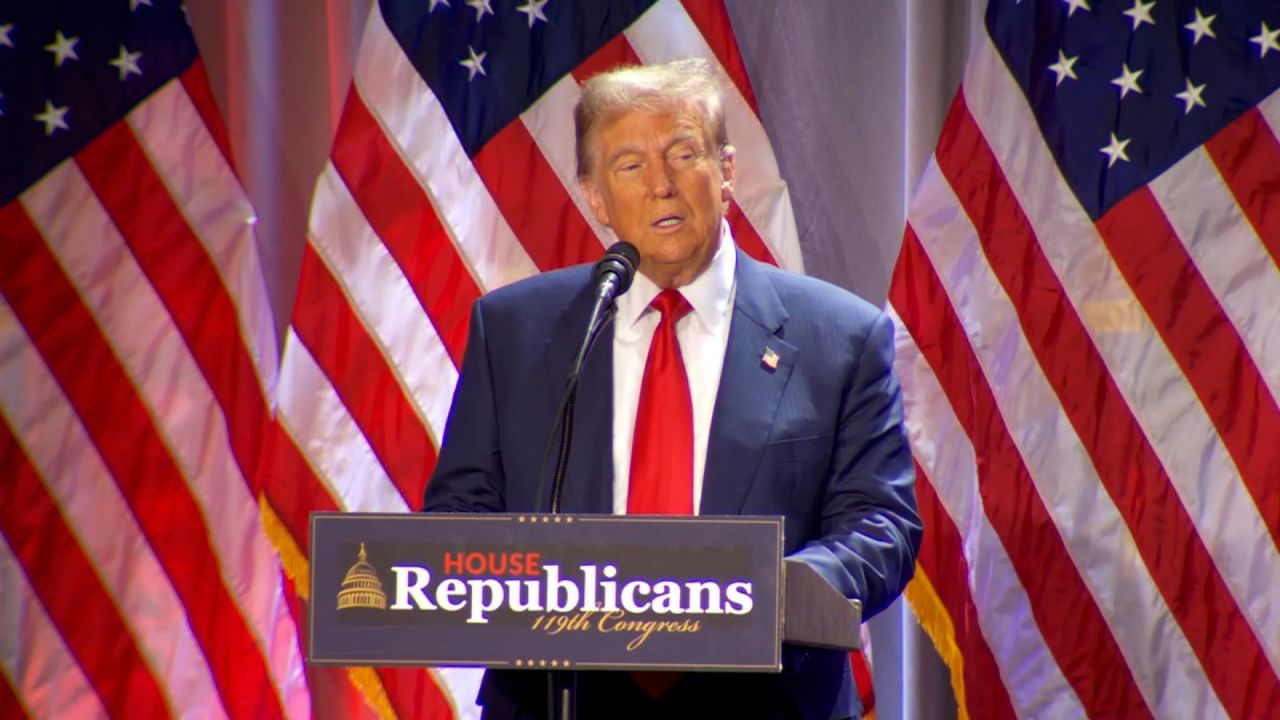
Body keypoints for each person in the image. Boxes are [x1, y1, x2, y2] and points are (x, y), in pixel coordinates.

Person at [423, 57, 921, 720]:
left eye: (683, 153)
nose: (661, 185)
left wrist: (779, 593)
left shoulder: (839, 337)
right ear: (597, 197)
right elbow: (461, 513)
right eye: (629, 165)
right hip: (559, 698)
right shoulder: (515, 331)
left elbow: (880, 523)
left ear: (726, 173)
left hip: (767, 699)